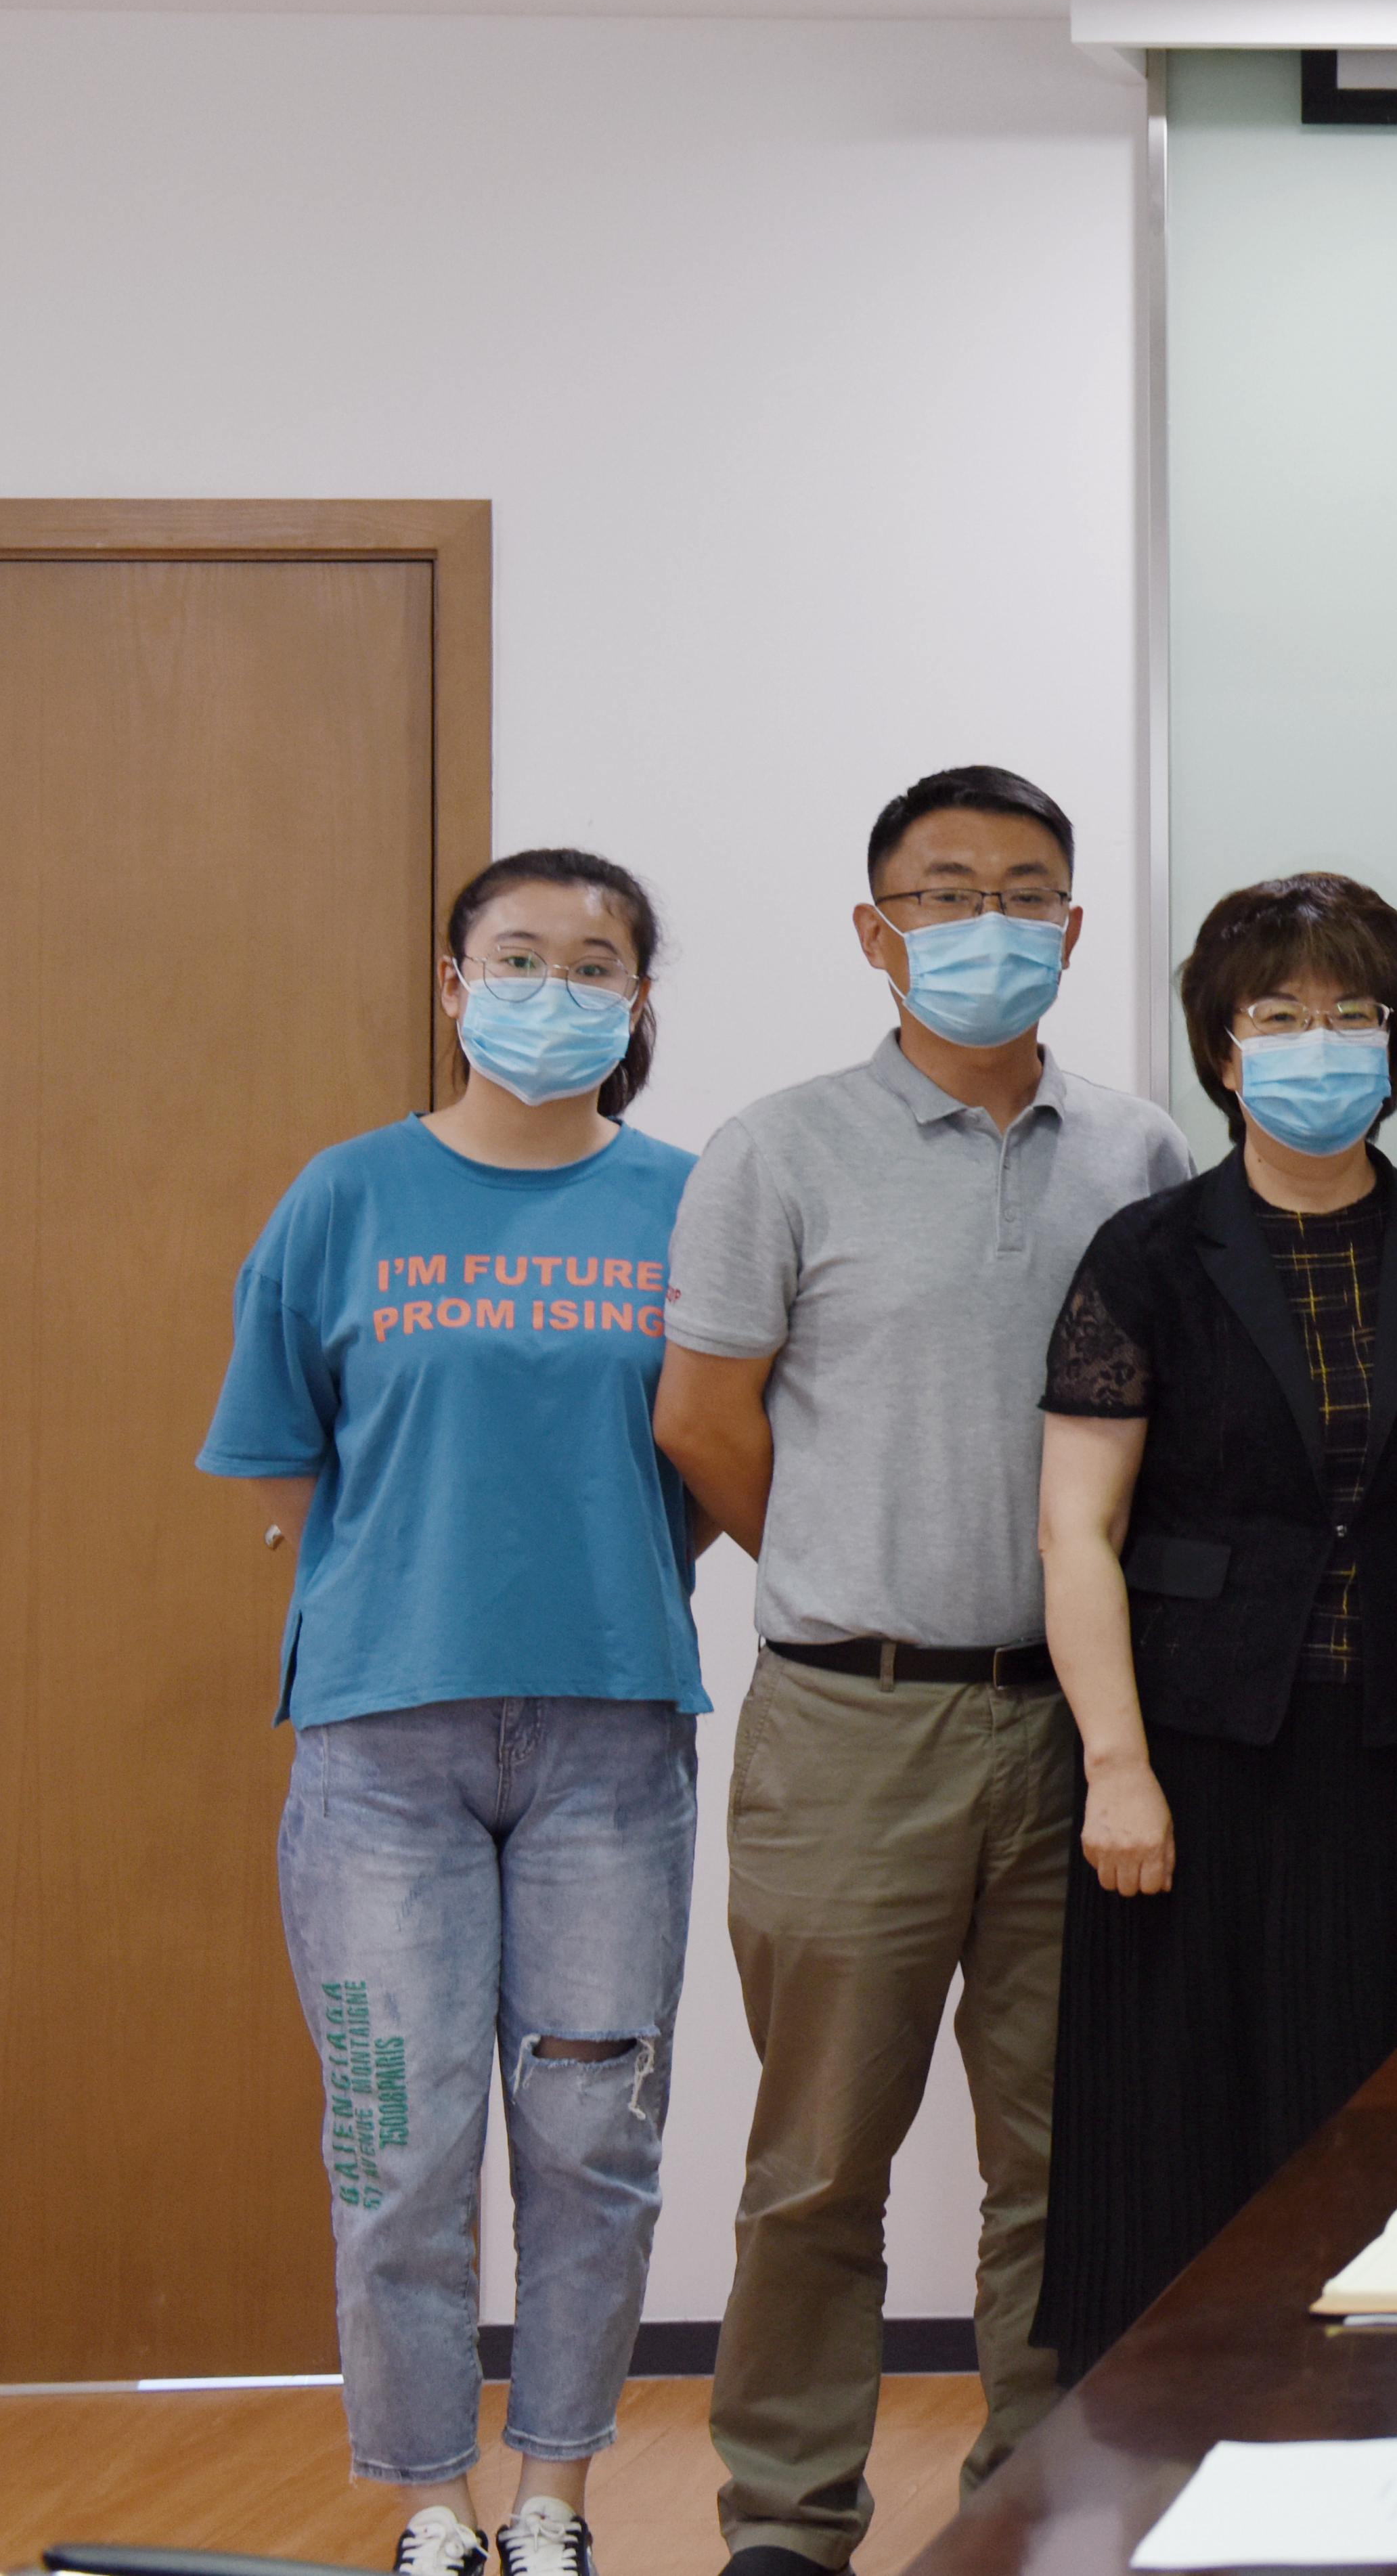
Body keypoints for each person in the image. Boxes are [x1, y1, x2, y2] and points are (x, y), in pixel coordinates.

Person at [658, 765, 1190, 2576]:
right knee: (820, 2156)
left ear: (1074, 927)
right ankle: (786, 2517)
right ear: (876, 929)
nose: (988, 923)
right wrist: (850, 1567)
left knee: (1063, 2153)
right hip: (850, 1719)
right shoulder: (778, 1148)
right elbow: (705, 1419)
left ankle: (1036, 2499)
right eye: (946, 891)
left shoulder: (1139, 1152)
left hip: (1074, 1724)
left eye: (1024, 891)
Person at [203, 851, 707, 2576]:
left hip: (613, 1738)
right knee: (395, 2147)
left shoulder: (689, 1202)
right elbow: (282, 1458)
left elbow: (718, 1453)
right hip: (382, 1745)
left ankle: (555, 2499)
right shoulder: (345, 1195)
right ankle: (433, 2502)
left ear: (640, 998)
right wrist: (428, 1565)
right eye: (518, 956)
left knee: (594, 2141)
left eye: (595, 963)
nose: (555, 990)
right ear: (452, 982)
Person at [1030, 873, 1397, 2372]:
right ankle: (1170, 2428)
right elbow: (1077, 1527)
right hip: (1195, 1756)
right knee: (1182, 2120)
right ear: (1224, 1047)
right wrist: (1115, 1765)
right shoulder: (1149, 1251)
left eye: (1350, 1013)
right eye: (1280, 1014)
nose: (1319, 1042)